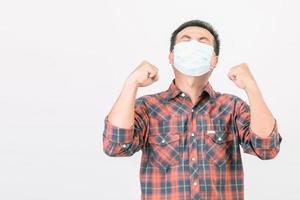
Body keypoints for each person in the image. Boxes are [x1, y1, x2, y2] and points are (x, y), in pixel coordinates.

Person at [102, 20, 282, 200]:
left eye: (203, 41)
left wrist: (251, 86)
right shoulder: (148, 107)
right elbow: (115, 146)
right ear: (171, 56)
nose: (193, 45)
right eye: (185, 40)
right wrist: (131, 82)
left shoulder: (232, 107)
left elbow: (267, 148)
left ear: (214, 60)